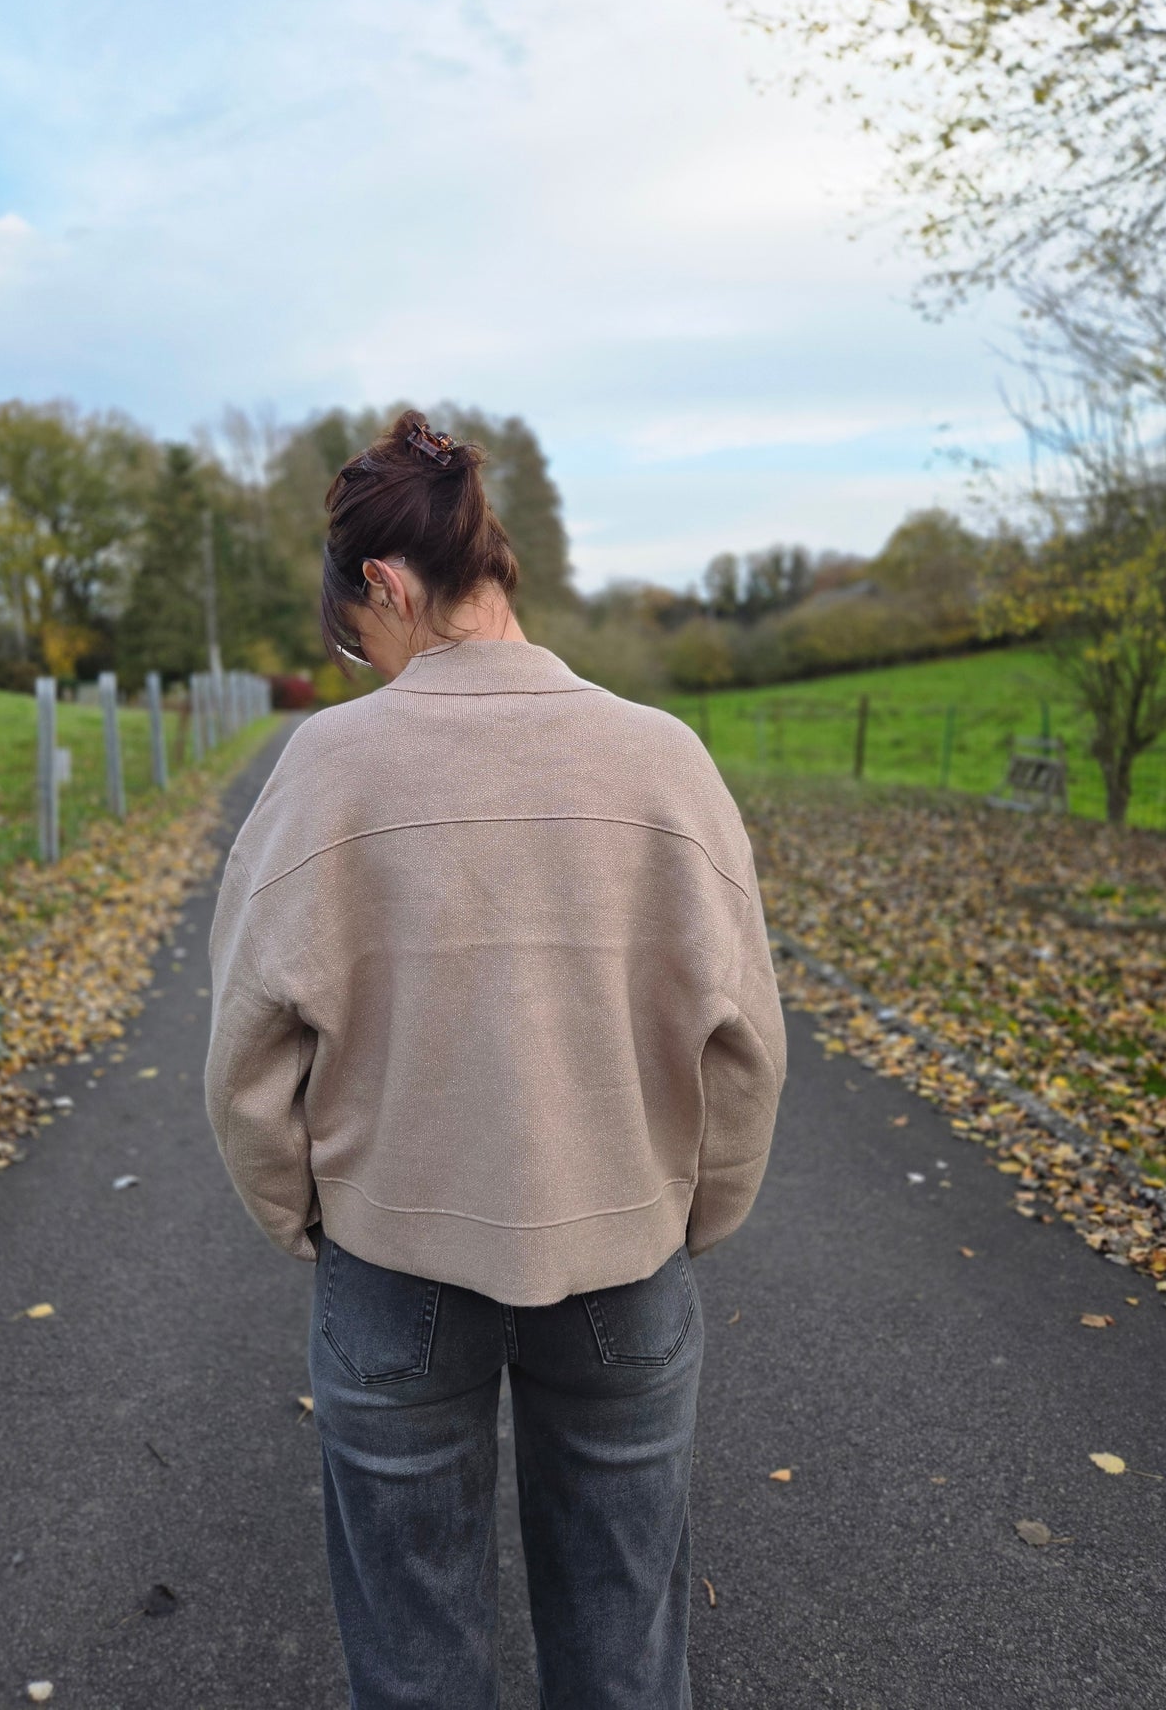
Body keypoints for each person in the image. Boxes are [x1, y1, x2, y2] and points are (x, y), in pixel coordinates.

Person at [204, 408, 787, 1709]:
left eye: (355, 638)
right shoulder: (664, 759)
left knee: (414, 1659)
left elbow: (247, 1051)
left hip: (391, 1260)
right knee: (624, 1649)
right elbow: (745, 1044)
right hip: (624, 1253)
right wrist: (690, 1213)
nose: (362, 667)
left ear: (389, 585)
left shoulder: (326, 768)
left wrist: (306, 1218)